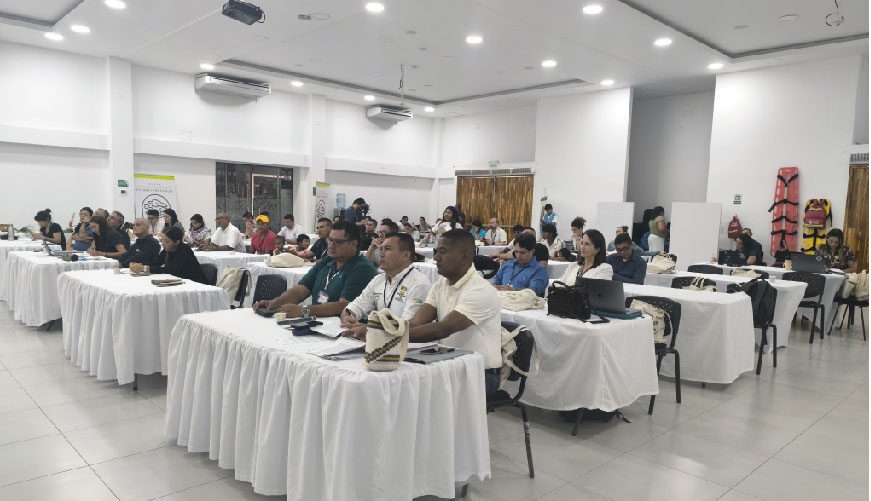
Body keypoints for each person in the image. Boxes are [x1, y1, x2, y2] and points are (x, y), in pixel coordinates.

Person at [409, 229, 502, 394]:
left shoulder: (480, 290)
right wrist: (382, 329)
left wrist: (392, 336)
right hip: (450, 364)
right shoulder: (441, 284)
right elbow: (417, 323)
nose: (436, 257)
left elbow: (443, 329)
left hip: (481, 373)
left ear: (464, 257)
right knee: (405, 384)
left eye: (442, 252)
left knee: (415, 391)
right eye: (436, 251)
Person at [252, 221, 377, 317]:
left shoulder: (362, 268)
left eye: (337, 242)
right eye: (330, 240)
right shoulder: (327, 261)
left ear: (354, 244)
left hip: (341, 329)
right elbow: (301, 290)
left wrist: (304, 311)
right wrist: (274, 303)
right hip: (318, 323)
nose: (330, 246)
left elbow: (344, 306)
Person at [340, 232, 432, 338]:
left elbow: (409, 326)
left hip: (406, 344)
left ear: (405, 255)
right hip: (380, 340)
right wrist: (347, 316)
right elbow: (356, 306)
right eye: (381, 249)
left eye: (387, 249)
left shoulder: (419, 284)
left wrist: (371, 329)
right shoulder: (378, 280)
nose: (381, 254)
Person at [130, 226, 207, 284]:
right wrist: (139, 265)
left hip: (194, 283)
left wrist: (146, 268)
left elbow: (172, 270)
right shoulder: (168, 249)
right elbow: (156, 263)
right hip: (179, 281)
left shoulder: (185, 251)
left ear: (177, 242)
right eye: (162, 241)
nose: (163, 244)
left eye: (166, 241)